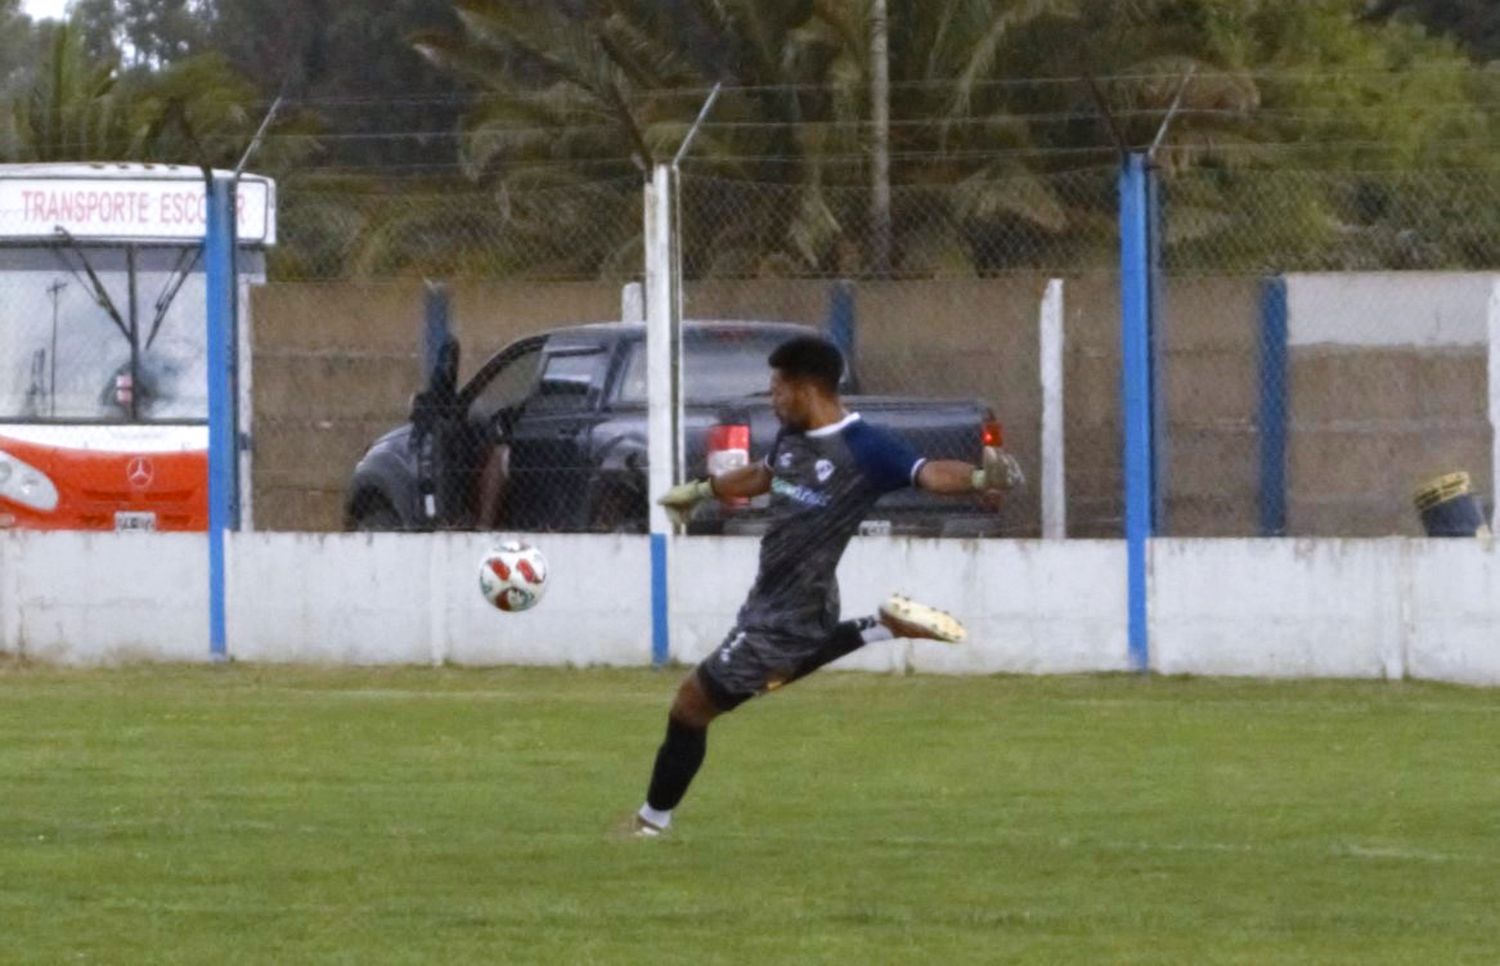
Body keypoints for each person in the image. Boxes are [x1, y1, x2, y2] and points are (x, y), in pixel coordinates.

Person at [630, 335, 1022, 836]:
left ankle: (649, 826)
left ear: (805, 387)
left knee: (691, 706)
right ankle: (879, 627)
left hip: (790, 611)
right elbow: (764, 476)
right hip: (777, 601)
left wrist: (978, 479)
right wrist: (703, 490)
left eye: (777, 388)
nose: (771, 399)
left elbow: (928, 473)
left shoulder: (865, 447)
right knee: (760, 681)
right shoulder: (793, 437)